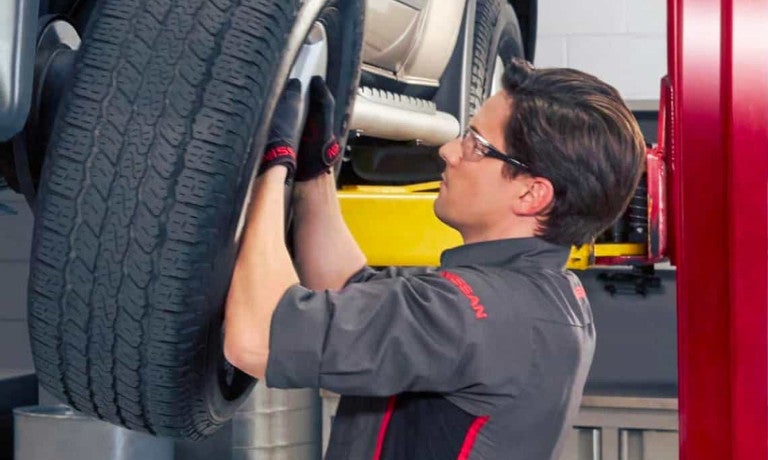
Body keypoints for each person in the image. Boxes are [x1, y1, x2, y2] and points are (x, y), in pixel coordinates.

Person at [224, 59, 646, 459]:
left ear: (531, 194)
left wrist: (272, 164)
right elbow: (355, 297)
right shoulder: (550, 298)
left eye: (477, 146)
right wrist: (314, 174)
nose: (449, 151)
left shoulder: (475, 315)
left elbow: (255, 339)